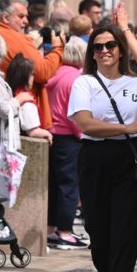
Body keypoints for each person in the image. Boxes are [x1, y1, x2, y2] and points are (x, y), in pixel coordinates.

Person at [67, 26, 137, 272]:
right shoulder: (84, 83)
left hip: (130, 159)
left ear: (120, 49)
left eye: (111, 45)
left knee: (125, 229)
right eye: (99, 46)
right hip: (95, 159)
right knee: (98, 231)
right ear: (92, 52)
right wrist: (127, 127)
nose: (105, 51)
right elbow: (86, 124)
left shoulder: (136, 83)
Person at [0, 0, 64, 130]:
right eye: (21, 16)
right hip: (22, 116)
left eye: (26, 16)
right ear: (5, 18)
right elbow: (42, 72)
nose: (26, 21)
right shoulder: (17, 39)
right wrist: (58, 49)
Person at [45, 37, 89, 250]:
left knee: (55, 185)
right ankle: (65, 231)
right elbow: (74, 114)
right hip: (70, 136)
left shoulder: (57, 73)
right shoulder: (76, 79)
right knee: (69, 186)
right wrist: (84, 135)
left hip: (53, 134)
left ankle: (52, 229)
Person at [7, 54, 54, 144]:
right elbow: (32, 131)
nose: (33, 77)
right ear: (24, 77)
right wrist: (48, 134)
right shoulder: (26, 102)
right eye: (32, 74)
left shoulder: (11, 95)